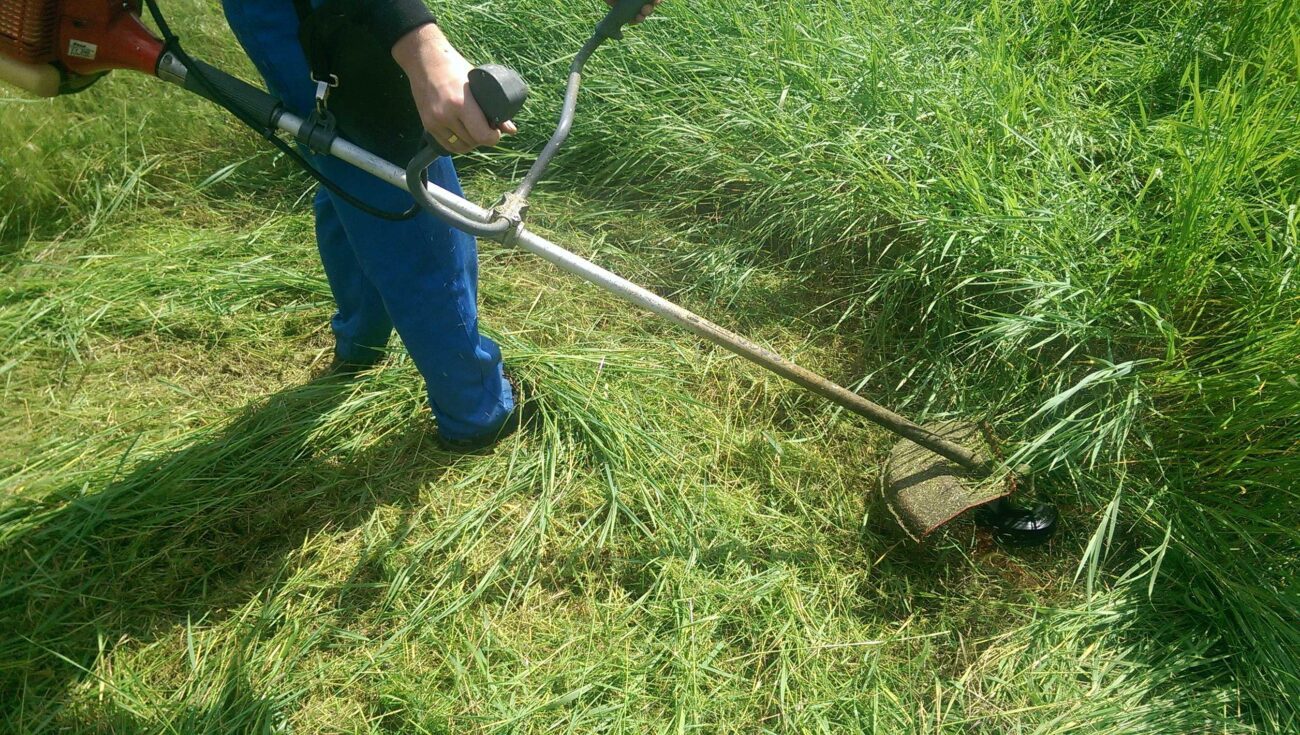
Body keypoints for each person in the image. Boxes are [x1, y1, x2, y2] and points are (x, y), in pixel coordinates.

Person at [220, 0, 660, 451]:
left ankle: (361, 340)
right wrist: (419, 44)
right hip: (326, 14)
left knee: (350, 171)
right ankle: (478, 411)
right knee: (411, 201)